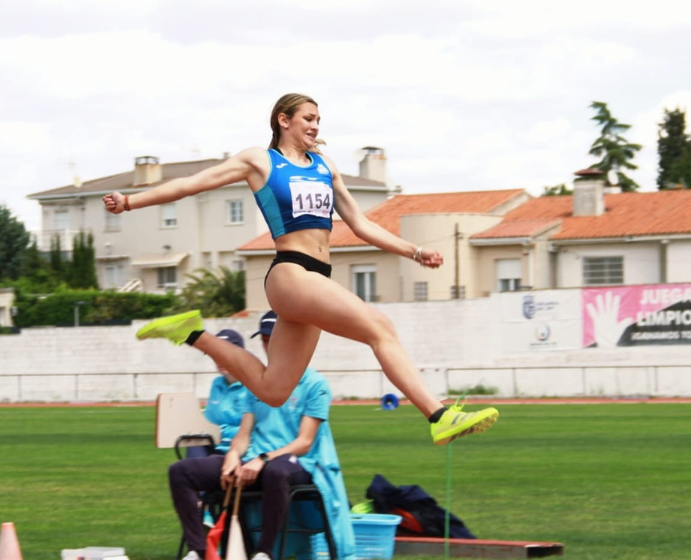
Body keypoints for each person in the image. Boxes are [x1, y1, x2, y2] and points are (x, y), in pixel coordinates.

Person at [106, 93, 496, 445]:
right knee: (381, 328)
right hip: (290, 273)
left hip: (315, 278)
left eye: (319, 121)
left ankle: (191, 332)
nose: (315, 126)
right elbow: (192, 184)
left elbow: (360, 224)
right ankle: (439, 414)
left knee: (274, 390)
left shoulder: (325, 166)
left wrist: (414, 250)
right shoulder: (260, 160)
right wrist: (129, 201)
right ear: (283, 120)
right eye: (308, 118)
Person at [169, 311, 355, 560]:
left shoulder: (315, 384)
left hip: (298, 463)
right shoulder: (256, 382)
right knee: (180, 471)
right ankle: (199, 549)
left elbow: (304, 442)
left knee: (276, 471)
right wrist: (234, 455)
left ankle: (263, 553)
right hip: (255, 461)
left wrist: (264, 458)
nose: (268, 346)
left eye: (272, 339)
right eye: (264, 340)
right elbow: (244, 433)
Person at [187, 329, 251, 459]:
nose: (219, 360)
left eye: (224, 354)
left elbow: (253, 431)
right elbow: (209, 422)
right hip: (217, 447)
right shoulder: (217, 384)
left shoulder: (254, 385)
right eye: (215, 355)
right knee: (193, 443)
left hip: (245, 452)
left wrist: (219, 432)